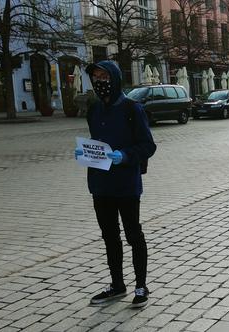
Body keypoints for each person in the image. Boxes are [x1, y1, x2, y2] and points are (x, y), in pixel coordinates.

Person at [75, 60, 157, 308]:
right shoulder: (94, 109)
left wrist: (124, 156)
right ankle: (117, 284)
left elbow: (148, 146)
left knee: (133, 235)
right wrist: (85, 153)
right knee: (110, 236)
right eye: (96, 77)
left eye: (104, 76)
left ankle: (141, 285)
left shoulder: (133, 109)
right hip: (100, 185)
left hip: (126, 185)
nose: (100, 81)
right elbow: (96, 141)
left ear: (115, 77)